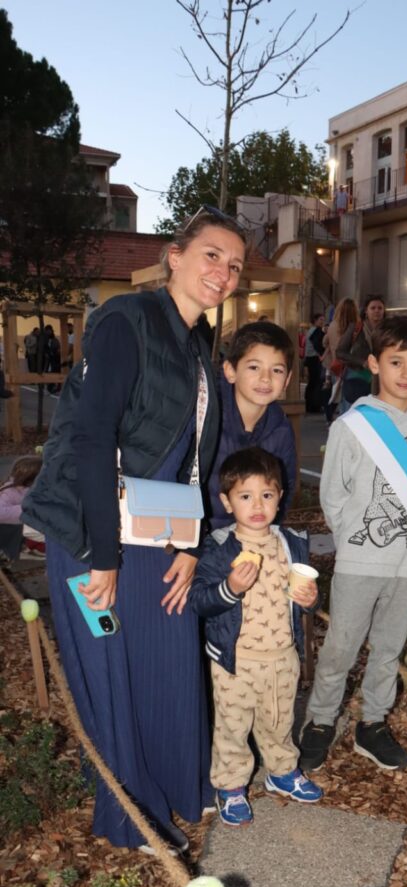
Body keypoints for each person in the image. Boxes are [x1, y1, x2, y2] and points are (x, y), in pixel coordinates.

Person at [22, 206, 247, 851]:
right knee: (113, 671)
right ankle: (132, 815)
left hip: (156, 535)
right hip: (95, 535)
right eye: (211, 255)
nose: (223, 272)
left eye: (233, 265)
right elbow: (92, 437)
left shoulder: (198, 350)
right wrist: (102, 553)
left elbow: (192, 462)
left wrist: (188, 544)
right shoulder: (127, 320)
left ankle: (174, 788)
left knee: (168, 659)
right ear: (174, 256)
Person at [299, 315, 407, 773]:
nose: (406, 374)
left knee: (388, 650)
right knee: (340, 648)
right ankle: (321, 722)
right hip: (358, 560)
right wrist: (354, 541)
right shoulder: (352, 425)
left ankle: (373, 723)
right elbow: (334, 493)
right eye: (395, 362)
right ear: (374, 364)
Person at [189, 447, 322, 825]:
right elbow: (199, 600)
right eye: (245, 496)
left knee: (279, 719)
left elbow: (304, 597)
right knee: (232, 725)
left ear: (280, 497)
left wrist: (311, 600)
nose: (257, 505)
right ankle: (230, 786)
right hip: (237, 660)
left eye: (267, 494)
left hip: (283, 654)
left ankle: (282, 772)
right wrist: (229, 587)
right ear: (227, 502)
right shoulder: (219, 547)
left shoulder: (290, 542)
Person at [207, 320, 296, 530]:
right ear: (230, 371)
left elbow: (286, 487)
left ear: (287, 380)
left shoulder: (281, 429)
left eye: (277, 370)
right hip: (200, 542)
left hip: (252, 540)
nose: (265, 379)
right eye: (254, 367)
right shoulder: (207, 416)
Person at [336, 294, 385, 413]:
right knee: (356, 416)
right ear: (366, 311)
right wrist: (362, 362)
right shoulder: (356, 328)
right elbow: (340, 352)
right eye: (373, 308)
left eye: (380, 308)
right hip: (357, 377)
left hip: (380, 380)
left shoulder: (388, 329)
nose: (376, 311)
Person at [322, 297, 359, 425]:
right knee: (350, 401)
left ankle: (334, 421)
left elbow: (324, 342)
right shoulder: (353, 326)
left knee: (338, 397)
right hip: (349, 367)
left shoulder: (332, 325)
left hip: (335, 365)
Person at [0, 455, 45, 556]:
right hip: (12, 532)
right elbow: (1, 513)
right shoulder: (10, 491)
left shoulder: (33, 488)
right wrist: (29, 508)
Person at [304, 313, 325, 413]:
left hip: (310, 358)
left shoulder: (310, 331)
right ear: (315, 321)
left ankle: (310, 405)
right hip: (315, 358)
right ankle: (314, 406)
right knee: (316, 382)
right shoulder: (316, 331)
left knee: (312, 382)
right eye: (320, 319)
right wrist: (322, 354)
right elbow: (317, 344)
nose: (322, 322)